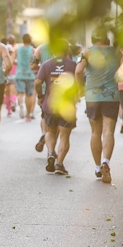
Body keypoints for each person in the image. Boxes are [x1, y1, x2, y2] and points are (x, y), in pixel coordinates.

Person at [76, 29, 122, 185]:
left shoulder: (87, 52)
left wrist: (80, 88)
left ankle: (97, 167)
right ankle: (106, 162)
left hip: (92, 96)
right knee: (108, 131)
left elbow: (78, 71)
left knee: (96, 132)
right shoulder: (116, 53)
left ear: (93, 39)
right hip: (111, 96)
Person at [35, 43, 78, 175]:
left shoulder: (46, 64)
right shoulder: (73, 65)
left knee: (50, 131)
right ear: (67, 51)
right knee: (64, 136)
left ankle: (50, 152)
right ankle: (59, 164)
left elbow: (37, 82)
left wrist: (40, 96)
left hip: (50, 104)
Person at [15, 33, 35, 120]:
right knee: (29, 95)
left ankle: (21, 105)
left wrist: (18, 63)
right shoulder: (33, 50)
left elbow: (12, 60)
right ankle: (28, 115)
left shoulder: (17, 49)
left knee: (20, 93)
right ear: (30, 41)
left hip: (20, 74)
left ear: (22, 40)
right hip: (30, 75)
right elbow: (36, 62)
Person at [4, 36, 17, 116]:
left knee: (7, 93)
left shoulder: (4, 56)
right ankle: (13, 102)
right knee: (13, 91)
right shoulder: (15, 57)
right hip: (13, 75)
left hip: (5, 75)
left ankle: (8, 110)